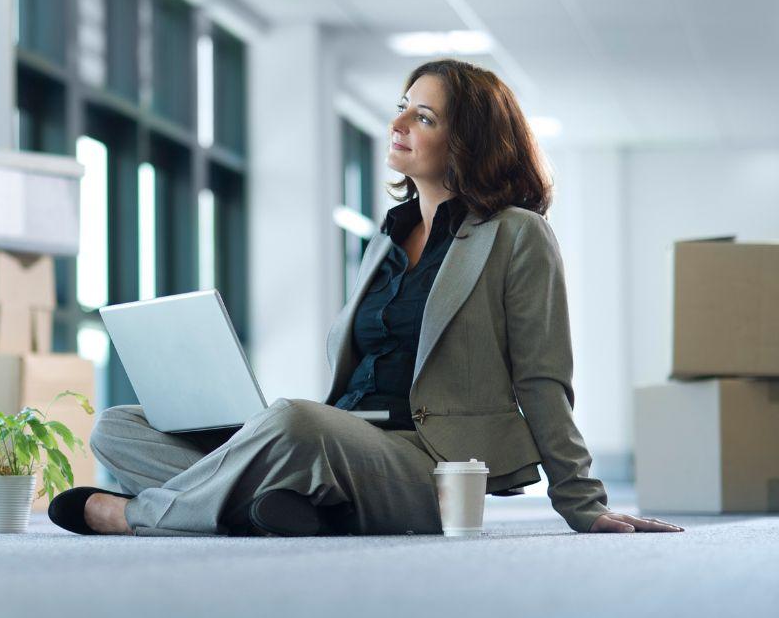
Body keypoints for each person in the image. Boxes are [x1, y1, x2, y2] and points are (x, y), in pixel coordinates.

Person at [48, 59, 683, 537]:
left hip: (429, 461)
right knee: (118, 426)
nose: (398, 124)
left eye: (424, 118)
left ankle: (136, 516)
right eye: (403, 107)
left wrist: (582, 503)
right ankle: (286, 511)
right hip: (348, 435)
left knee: (293, 422)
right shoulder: (386, 238)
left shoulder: (516, 233)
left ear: (469, 143)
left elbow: (543, 379)